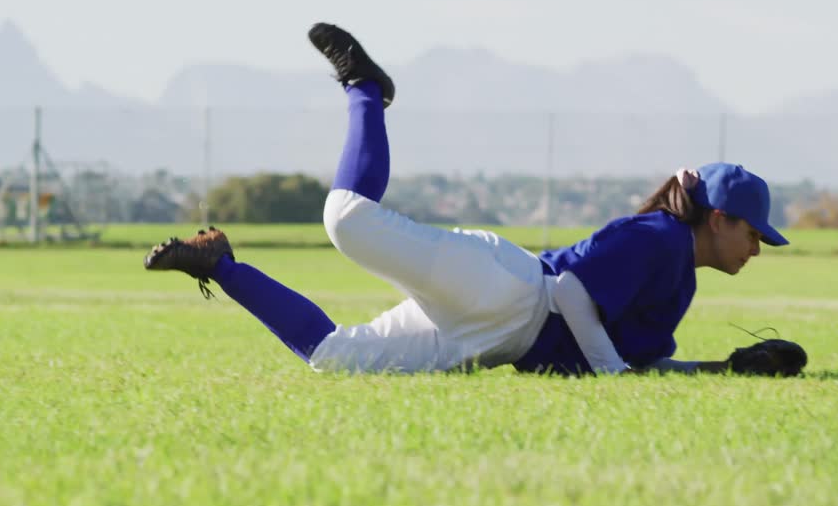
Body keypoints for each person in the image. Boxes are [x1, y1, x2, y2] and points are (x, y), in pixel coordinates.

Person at [144, 23, 790, 376]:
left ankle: (218, 265)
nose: (757, 248)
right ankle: (366, 90)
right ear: (721, 217)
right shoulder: (660, 239)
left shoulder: (680, 281)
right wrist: (608, 371)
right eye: (755, 234)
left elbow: (633, 362)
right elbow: (568, 292)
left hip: (496, 339)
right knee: (345, 220)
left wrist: (725, 367)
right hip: (508, 293)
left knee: (335, 360)